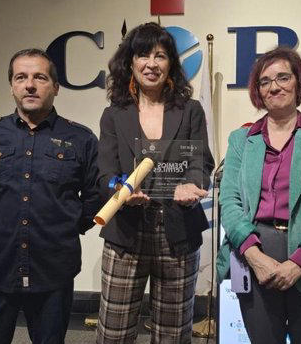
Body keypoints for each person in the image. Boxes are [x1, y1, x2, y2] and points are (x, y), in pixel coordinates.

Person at [215, 46, 301, 344]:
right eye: (265, 81)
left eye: (282, 77)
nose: (274, 86)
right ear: (258, 91)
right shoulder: (241, 140)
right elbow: (231, 203)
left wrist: (299, 263)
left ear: (298, 82)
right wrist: (255, 257)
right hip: (254, 260)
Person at [0, 48, 101, 344]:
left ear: (55, 87)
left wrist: (64, 228)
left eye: (39, 77)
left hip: (53, 270)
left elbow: (93, 198)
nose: (29, 84)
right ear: (12, 86)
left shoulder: (81, 139)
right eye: (21, 77)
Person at [95, 22, 215, 344]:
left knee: (173, 334)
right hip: (125, 234)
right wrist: (119, 190)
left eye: (160, 56)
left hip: (178, 230)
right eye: (143, 55)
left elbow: (200, 162)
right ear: (130, 62)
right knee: (114, 333)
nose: (152, 63)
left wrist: (191, 185)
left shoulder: (190, 110)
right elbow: (105, 172)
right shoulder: (113, 114)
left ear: (171, 64)